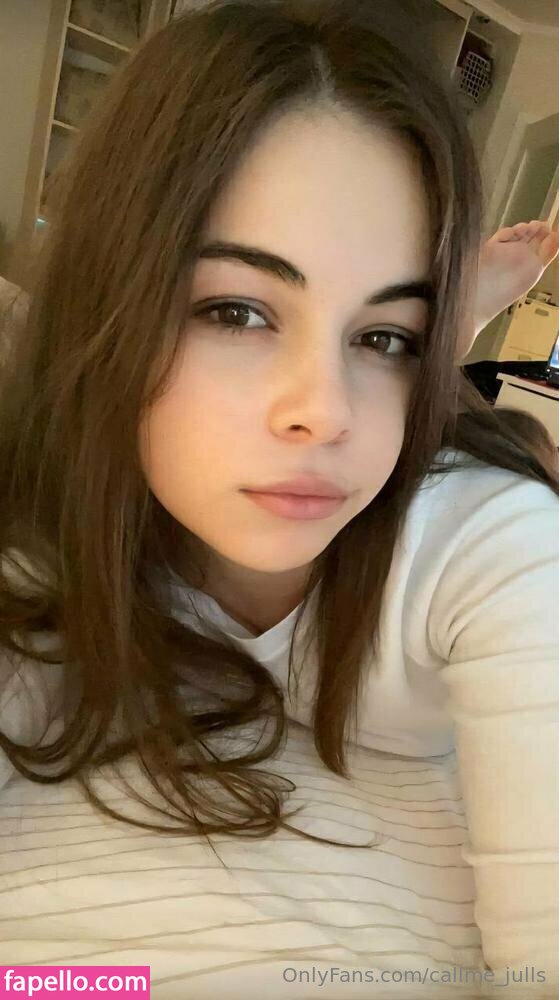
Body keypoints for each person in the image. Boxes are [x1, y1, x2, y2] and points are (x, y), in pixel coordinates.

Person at [1, 0, 559, 993]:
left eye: (385, 335)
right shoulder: (44, 530)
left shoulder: (493, 547)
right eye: (235, 310)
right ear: (108, 302)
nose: (324, 413)